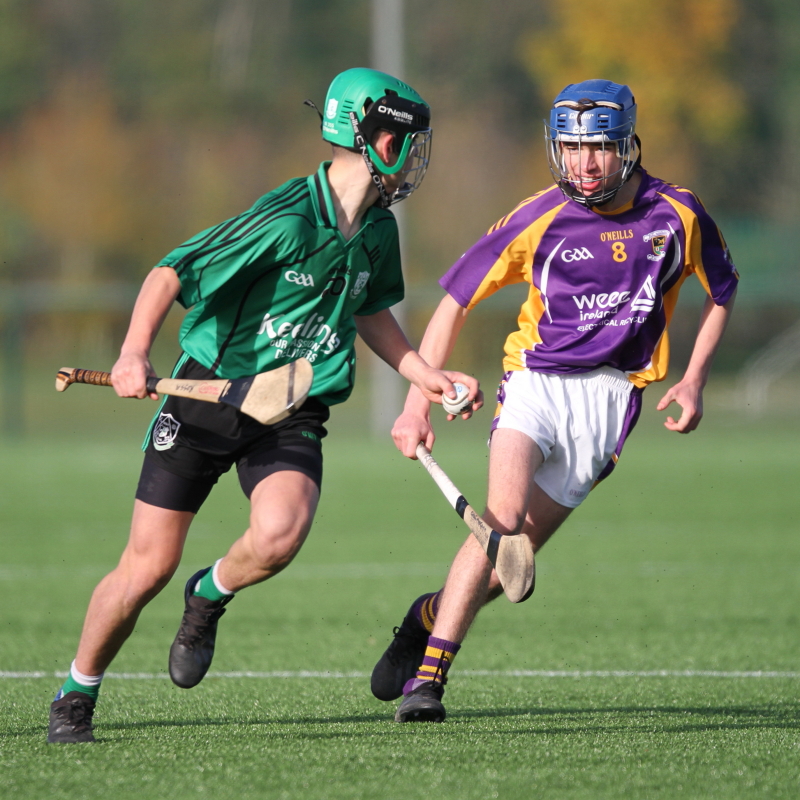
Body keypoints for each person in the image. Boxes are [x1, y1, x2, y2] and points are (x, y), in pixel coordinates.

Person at [47, 67, 481, 744]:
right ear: (370, 138)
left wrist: (423, 373)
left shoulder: (377, 232)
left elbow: (369, 308)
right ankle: (76, 693)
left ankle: (210, 593)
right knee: (145, 568)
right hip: (208, 396)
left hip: (291, 405)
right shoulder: (283, 220)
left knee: (280, 533)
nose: (414, 156)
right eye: (406, 139)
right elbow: (172, 271)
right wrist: (134, 352)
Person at [370, 79, 739, 723]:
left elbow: (722, 290)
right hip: (534, 384)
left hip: (610, 403)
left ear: (627, 147)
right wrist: (416, 403)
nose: (583, 163)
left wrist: (694, 378)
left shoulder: (677, 214)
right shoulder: (539, 217)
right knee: (500, 523)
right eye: (570, 148)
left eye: (597, 148)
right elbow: (453, 300)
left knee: (503, 566)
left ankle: (425, 618)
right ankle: (427, 684)